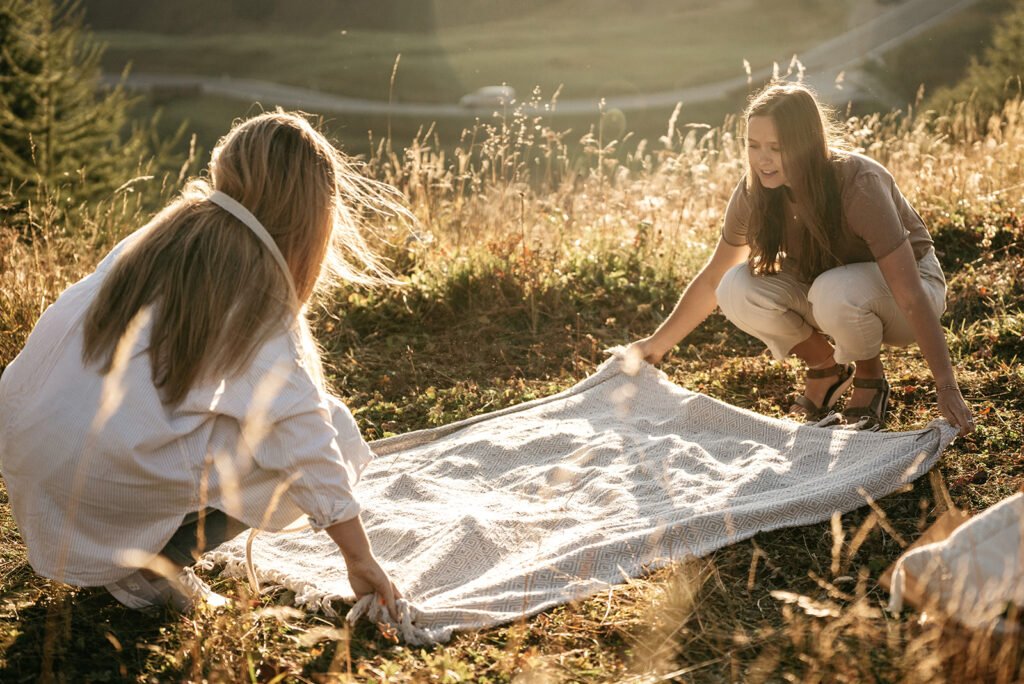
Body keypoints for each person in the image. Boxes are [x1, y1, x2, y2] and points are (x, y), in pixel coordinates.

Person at [0, 111, 404, 616]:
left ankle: (134, 542)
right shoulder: (257, 285)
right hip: (97, 483)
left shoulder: (166, 232)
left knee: (246, 418)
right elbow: (304, 433)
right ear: (311, 215)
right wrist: (359, 557)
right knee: (336, 430)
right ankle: (152, 566)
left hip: (34, 457)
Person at [628, 82, 974, 435]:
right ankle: (826, 368)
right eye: (753, 145)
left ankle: (870, 373)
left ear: (806, 142)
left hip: (911, 292)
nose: (762, 159)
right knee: (736, 285)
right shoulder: (755, 189)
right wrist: (654, 346)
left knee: (833, 290)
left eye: (776, 148)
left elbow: (911, 293)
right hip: (830, 288)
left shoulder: (857, 182)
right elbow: (714, 278)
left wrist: (946, 385)